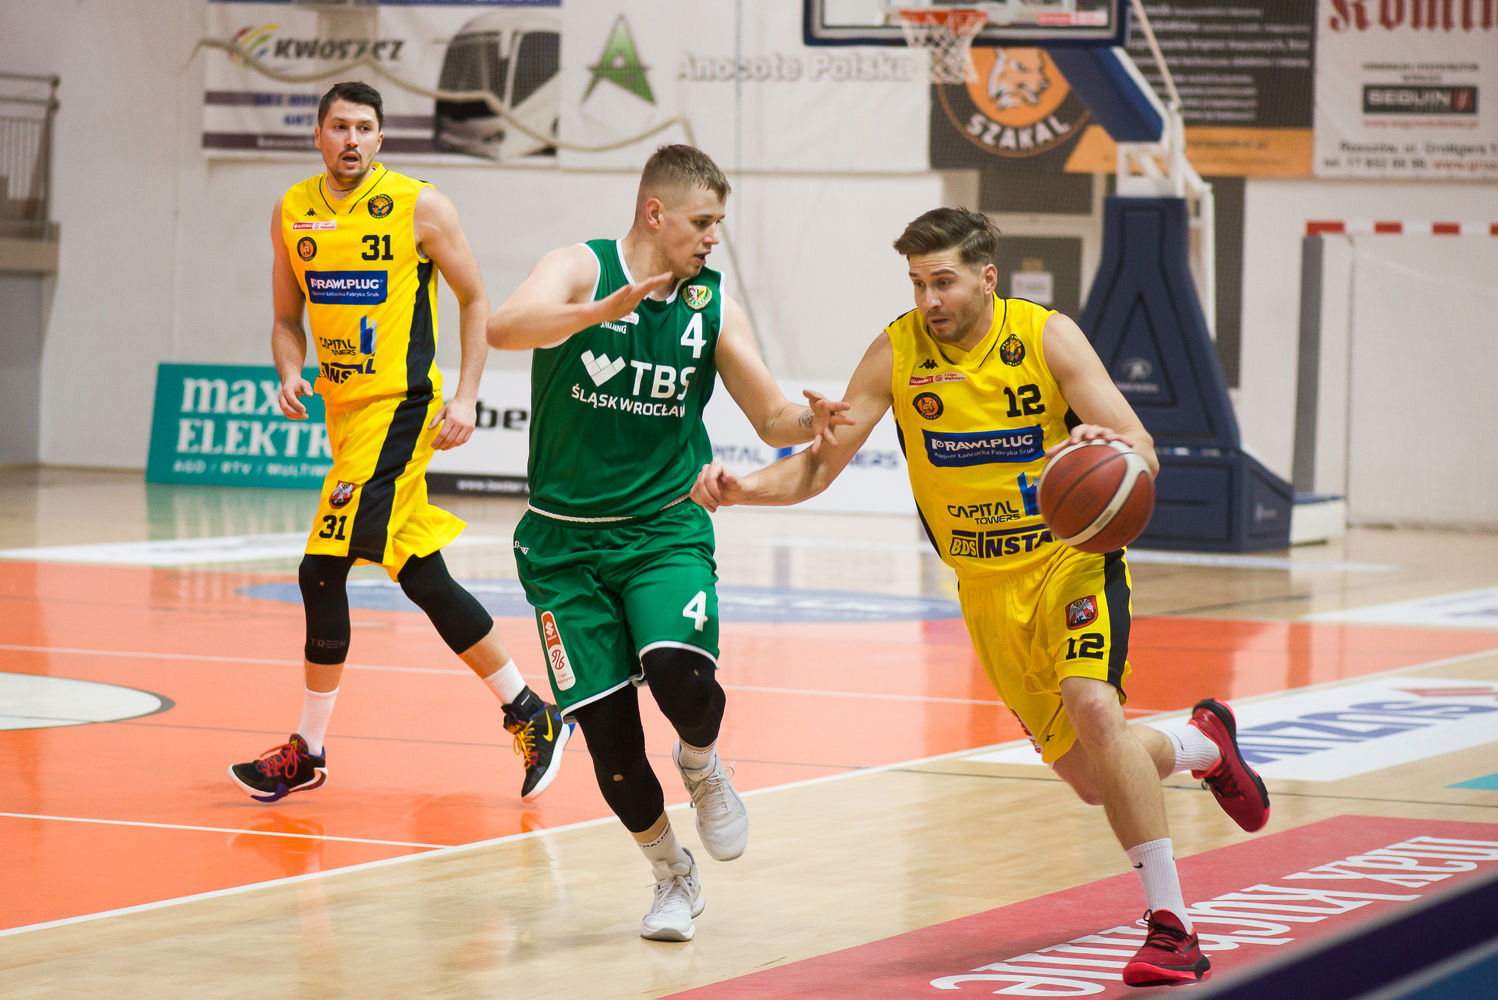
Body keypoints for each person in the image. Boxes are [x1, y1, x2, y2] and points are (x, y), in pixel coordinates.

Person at [691, 208, 1271, 987]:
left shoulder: (1046, 337)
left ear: (987, 277)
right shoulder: (897, 352)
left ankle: (1172, 928)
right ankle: (1205, 743)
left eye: (944, 282)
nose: (929, 300)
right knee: (1093, 778)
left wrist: (1102, 446)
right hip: (984, 588)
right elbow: (819, 465)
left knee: (1096, 710)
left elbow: (1141, 446)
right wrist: (742, 490)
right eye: (917, 283)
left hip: (1070, 562)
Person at [486, 144, 851, 942]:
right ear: (656, 213)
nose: (713, 238)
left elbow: (771, 417)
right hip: (562, 547)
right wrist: (596, 313)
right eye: (703, 222)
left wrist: (813, 420)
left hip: (663, 529)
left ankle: (701, 763)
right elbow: (504, 327)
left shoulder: (710, 305)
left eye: (718, 223)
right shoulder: (579, 268)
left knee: (680, 679)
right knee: (612, 744)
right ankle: (671, 875)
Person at [229, 82, 571, 807]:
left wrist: (466, 395)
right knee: (423, 577)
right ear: (318, 135)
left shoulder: (421, 206)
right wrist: (289, 372)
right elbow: (286, 318)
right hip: (345, 417)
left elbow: (475, 298)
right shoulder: (292, 211)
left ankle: (308, 750)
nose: (351, 139)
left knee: (321, 572)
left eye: (364, 127)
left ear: (381, 139)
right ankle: (530, 711)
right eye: (339, 126)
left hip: (401, 409)